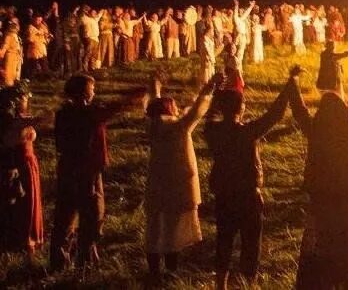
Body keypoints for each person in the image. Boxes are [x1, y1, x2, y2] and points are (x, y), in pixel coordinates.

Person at [290, 56, 348, 288]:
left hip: (322, 192)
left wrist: (292, 81)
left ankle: (325, 276)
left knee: (324, 234)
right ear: (342, 111)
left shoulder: (315, 130)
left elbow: (299, 109)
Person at [204, 67, 298, 290]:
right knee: (250, 243)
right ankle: (247, 284)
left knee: (224, 240)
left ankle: (221, 285)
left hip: (224, 195)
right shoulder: (247, 132)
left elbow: (209, 114)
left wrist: (215, 89)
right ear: (242, 108)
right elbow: (274, 114)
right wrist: (289, 83)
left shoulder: (213, 132)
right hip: (248, 197)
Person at [50, 74, 146, 270]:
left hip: (68, 168)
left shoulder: (64, 113)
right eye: (92, 89)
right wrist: (135, 95)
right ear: (84, 93)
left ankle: (60, 261)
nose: (94, 92)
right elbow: (113, 108)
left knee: (66, 213)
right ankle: (85, 261)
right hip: (87, 172)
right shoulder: (86, 113)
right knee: (92, 214)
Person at [143, 71, 222, 283]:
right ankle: (170, 270)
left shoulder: (152, 125)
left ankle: (153, 270)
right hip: (178, 183)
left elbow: (153, 103)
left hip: (157, 183)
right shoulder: (179, 127)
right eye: (175, 106)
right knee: (172, 229)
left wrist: (154, 85)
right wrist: (210, 87)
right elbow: (197, 110)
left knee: (154, 227)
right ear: (170, 110)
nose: (178, 109)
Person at [0, 81, 43, 262]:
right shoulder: (13, 122)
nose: (27, 100)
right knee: (23, 204)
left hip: (28, 163)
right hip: (21, 165)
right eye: (25, 98)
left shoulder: (18, 119)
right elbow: (42, 118)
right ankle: (20, 239)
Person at [1, 21, 23, 86]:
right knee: (9, 75)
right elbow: (5, 47)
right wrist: (1, 54)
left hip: (16, 58)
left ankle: (13, 87)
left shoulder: (17, 36)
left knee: (15, 74)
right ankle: (8, 87)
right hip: (11, 58)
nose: (18, 28)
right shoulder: (9, 36)